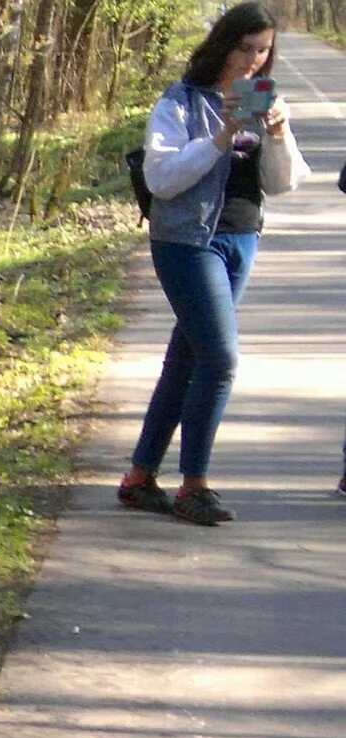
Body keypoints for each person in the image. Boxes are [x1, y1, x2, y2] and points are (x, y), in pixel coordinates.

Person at [120, 3, 308, 526]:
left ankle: (139, 477)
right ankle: (194, 485)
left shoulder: (265, 99)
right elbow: (162, 178)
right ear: (222, 45)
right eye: (244, 48)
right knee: (220, 358)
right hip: (186, 241)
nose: (252, 60)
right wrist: (220, 136)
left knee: (188, 357)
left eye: (263, 50)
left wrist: (278, 133)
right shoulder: (180, 102)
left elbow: (283, 183)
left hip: (241, 238)